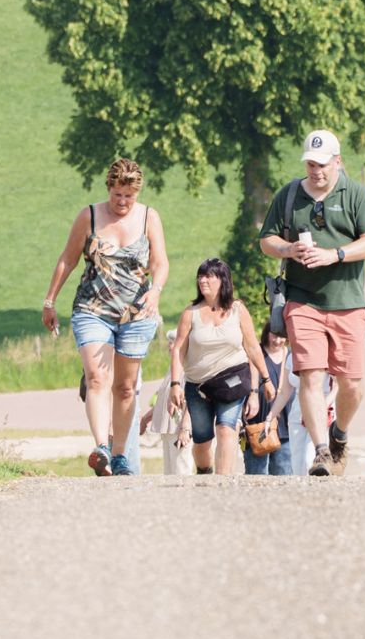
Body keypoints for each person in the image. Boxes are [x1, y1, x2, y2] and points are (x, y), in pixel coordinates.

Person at [259, 129, 365, 476]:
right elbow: (266, 240)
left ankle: (339, 434)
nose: (316, 171)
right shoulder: (289, 196)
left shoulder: (357, 194)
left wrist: (336, 255)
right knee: (311, 377)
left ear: (338, 162)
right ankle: (322, 452)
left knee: (352, 384)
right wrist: (287, 249)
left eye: (323, 164)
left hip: (348, 300)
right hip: (302, 301)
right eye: (311, 164)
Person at [42, 157, 168, 476]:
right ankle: (101, 448)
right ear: (108, 188)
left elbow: (160, 263)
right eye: (117, 195)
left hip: (137, 314)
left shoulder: (149, 218)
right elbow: (67, 261)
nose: (122, 202)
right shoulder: (90, 216)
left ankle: (120, 453)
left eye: (129, 196)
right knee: (98, 378)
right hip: (92, 309)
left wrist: (156, 290)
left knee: (125, 388)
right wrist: (49, 300)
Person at [168, 258, 271, 476]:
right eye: (200, 276)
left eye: (208, 276)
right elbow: (178, 350)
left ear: (222, 280)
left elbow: (252, 347)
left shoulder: (237, 310)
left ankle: (223, 482)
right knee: (202, 441)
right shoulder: (191, 313)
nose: (202, 280)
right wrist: (175, 384)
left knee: (227, 427)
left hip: (232, 379)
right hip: (198, 386)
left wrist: (265, 379)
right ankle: (205, 471)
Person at [243, 323, 296, 476]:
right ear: (266, 333)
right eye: (274, 335)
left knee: (284, 476)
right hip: (256, 428)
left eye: (282, 336)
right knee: (256, 476)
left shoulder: (291, 356)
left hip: (285, 429)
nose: (278, 340)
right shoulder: (255, 353)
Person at [141, 329, 194, 476]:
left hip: (180, 430)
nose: (170, 346)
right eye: (170, 343)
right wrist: (146, 419)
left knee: (181, 472)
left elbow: (193, 401)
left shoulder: (189, 371)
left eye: (175, 342)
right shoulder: (172, 371)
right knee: (169, 473)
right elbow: (162, 403)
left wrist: (185, 428)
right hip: (168, 430)